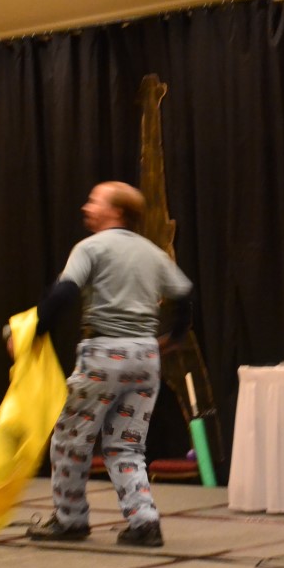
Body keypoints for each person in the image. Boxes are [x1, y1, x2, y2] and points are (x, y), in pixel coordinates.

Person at [24, 181, 193, 547]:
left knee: (70, 440)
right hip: (144, 358)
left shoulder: (91, 247)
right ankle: (144, 521)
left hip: (104, 356)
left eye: (94, 200)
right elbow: (184, 295)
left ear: (116, 211)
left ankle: (70, 519)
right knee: (126, 445)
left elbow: (65, 292)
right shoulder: (153, 253)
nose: (86, 206)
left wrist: (31, 333)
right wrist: (174, 339)